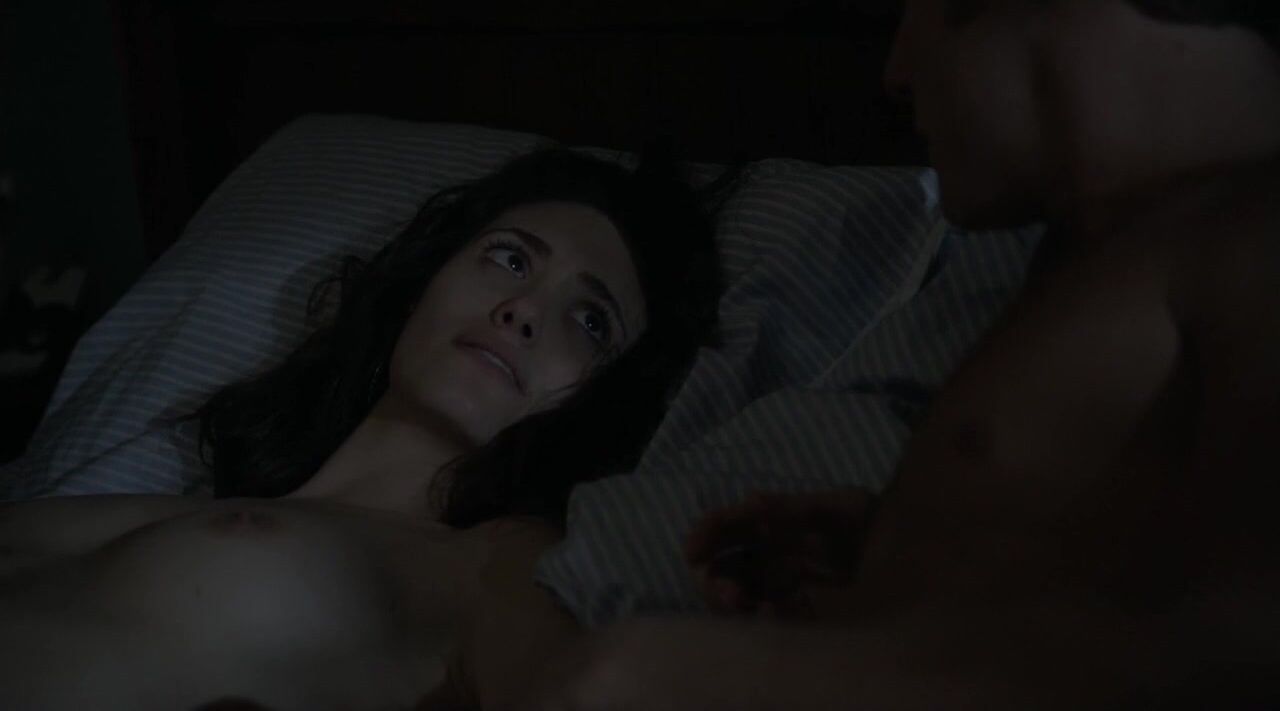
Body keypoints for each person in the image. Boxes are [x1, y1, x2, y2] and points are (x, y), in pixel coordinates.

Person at [520, 1, 1280, 708]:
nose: (895, 73)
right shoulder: (1103, 255)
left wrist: (697, 674)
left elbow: (1245, 652)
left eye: (916, 8)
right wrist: (912, 550)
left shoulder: (1255, 234)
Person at [0, 147, 729, 711]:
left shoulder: (504, 559)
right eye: (510, 259)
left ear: (602, 399)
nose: (525, 310)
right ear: (421, 285)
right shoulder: (177, 504)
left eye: (591, 320)